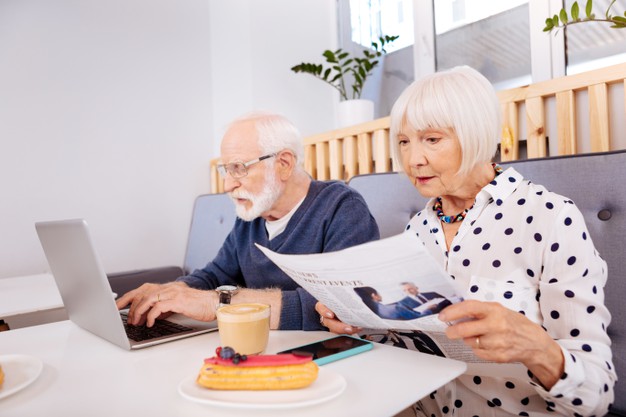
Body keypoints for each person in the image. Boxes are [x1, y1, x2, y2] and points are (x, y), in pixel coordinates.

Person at [316, 66, 616, 416]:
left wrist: (537, 349)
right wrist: (359, 324)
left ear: (475, 134)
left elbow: (597, 394)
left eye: (432, 139)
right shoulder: (417, 231)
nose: (414, 159)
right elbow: (407, 344)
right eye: (404, 141)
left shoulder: (550, 217)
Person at [116, 111, 379, 331]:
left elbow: (342, 305)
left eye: (239, 168)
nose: (228, 185)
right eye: (226, 170)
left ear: (284, 163)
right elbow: (214, 275)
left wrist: (216, 303)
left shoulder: (341, 208)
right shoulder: (252, 215)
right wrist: (168, 294)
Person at [354, 286, 422, 320]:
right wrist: (429, 309)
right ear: (373, 295)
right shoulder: (395, 308)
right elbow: (418, 317)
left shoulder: (372, 311)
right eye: (378, 293)